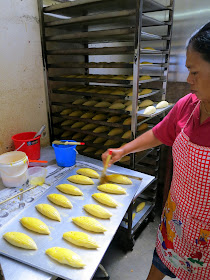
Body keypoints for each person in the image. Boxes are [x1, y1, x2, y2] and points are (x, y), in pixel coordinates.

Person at [102, 22, 210, 280]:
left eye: (194, 72)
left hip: (207, 238)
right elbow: (160, 132)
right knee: (159, 265)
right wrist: (123, 150)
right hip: (176, 219)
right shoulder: (188, 105)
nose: (187, 80)